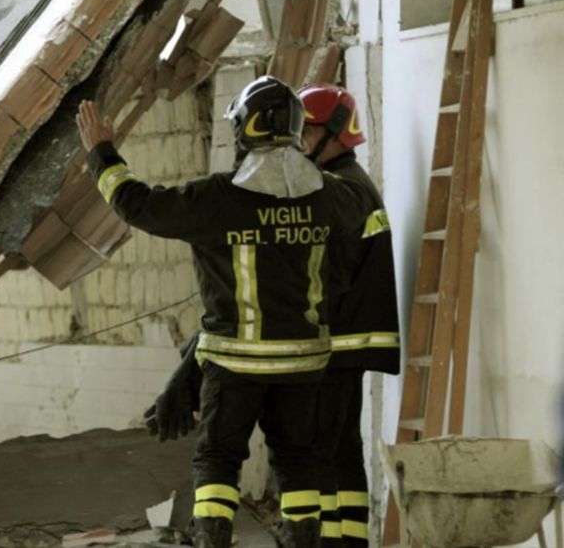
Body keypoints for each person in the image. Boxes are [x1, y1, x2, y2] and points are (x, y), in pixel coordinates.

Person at [76, 76, 372, 548]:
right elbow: (358, 225)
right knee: (297, 462)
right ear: (296, 130)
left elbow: (136, 204)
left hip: (234, 365)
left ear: (243, 130)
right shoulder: (334, 197)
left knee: (217, 458)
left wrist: (101, 153)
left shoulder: (216, 199)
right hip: (304, 366)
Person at [299, 83, 401, 548]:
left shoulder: (339, 191)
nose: (298, 144)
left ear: (336, 132)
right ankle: (349, 543)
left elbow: (325, 275)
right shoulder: (354, 185)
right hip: (348, 343)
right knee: (341, 452)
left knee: (320, 453)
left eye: (306, 133)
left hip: (335, 344)